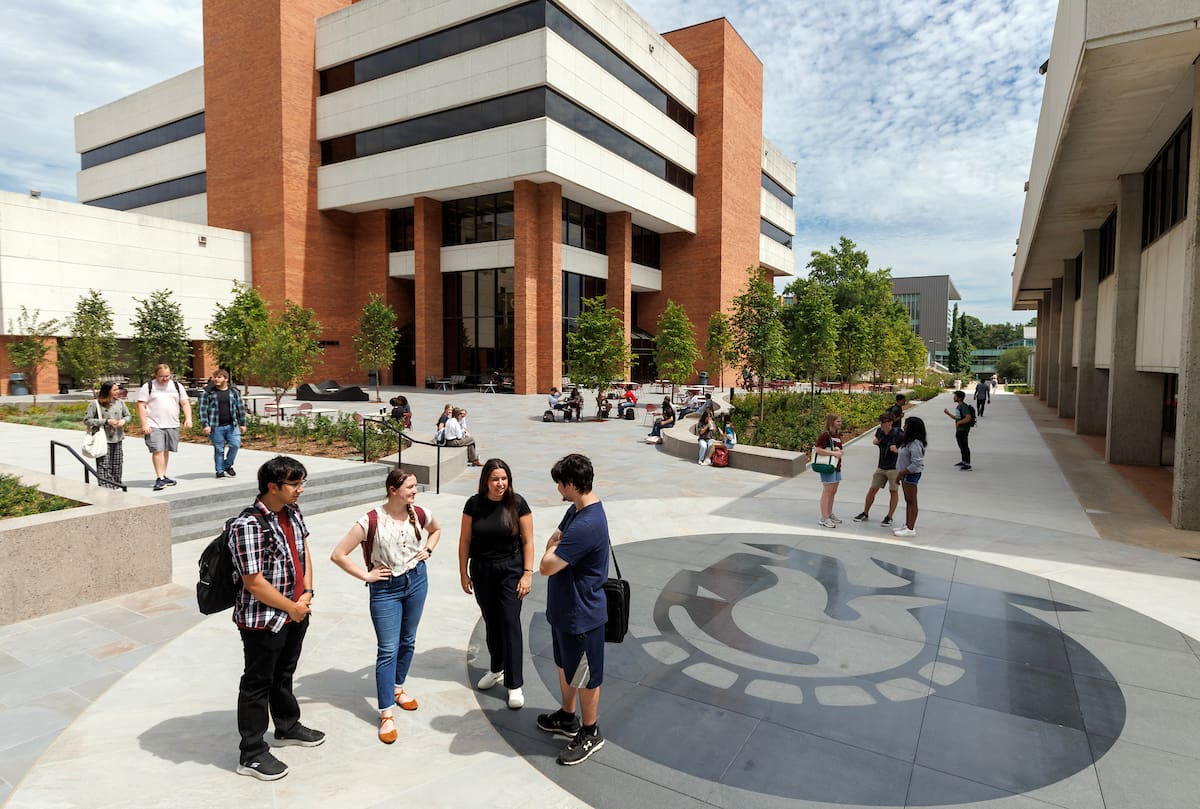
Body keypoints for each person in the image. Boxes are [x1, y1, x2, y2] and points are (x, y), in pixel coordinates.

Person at [230, 456, 325, 780]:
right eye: (295, 484)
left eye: (302, 483)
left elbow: (305, 552)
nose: (301, 489)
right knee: (258, 683)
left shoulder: (293, 511)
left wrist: (308, 591)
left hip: (296, 611)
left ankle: (286, 726)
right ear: (273, 487)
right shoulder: (249, 525)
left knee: (284, 673)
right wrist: (291, 607)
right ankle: (252, 753)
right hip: (264, 619)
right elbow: (253, 582)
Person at [330, 467, 441, 744]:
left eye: (415, 487)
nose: (415, 492)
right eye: (410, 488)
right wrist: (366, 575)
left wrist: (428, 549)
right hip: (385, 590)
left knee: (409, 640)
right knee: (388, 649)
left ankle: (398, 687)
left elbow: (436, 530)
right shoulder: (370, 520)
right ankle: (386, 713)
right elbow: (338, 554)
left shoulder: (420, 513)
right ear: (393, 490)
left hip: (417, 581)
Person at [536, 453, 609, 766]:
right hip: (564, 611)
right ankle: (568, 718)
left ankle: (591, 731)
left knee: (586, 676)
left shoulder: (588, 523)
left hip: (582, 616)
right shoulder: (575, 510)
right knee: (566, 667)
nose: (558, 489)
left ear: (571, 484)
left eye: (559, 484)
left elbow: (547, 565)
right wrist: (554, 547)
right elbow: (554, 541)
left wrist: (552, 550)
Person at [459, 458, 535, 710]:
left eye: (504, 479)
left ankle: (514, 684)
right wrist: (463, 572)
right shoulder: (474, 504)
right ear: (485, 481)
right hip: (482, 570)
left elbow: (528, 542)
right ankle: (496, 668)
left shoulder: (518, 504)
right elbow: (465, 541)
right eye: (495, 479)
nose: (500, 483)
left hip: (511, 570)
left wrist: (527, 573)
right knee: (491, 621)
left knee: (510, 623)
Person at [136, 363, 193, 491]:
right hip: (154, 424)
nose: (165, 379)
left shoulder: (177, 386)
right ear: (156, 375)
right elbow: (141, 405)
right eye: (162, 376)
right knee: (158, 450)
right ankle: (159, 477)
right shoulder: (149, 386)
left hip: (172, 423)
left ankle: (163, 474)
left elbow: (185, 403)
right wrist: (144, 423)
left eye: (167, 376)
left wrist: (188, 418)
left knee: (166, 450)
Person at [852, 412, 903, 527]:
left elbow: (906, 450)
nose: (881, 424)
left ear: (890, 422)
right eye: (880, 422)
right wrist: (876, 441)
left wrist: (897, 450)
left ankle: (889, 516)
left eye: (883, 422)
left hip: (894, 468)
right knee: (872, 489)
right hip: (881, 466)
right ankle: (865, 512)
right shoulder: (879, 432)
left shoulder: (899, 434)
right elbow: (876, 438)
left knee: (893, 491)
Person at [200, 368, 246, 479]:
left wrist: (243, 423)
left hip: (232, 425)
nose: (216, 379)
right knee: (219, 449)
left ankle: (227, 465)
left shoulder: (233, 392)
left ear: (226, 379)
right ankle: (219, 470)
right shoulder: (208, 392)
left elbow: (240, 408)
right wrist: (206, 425)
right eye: (215, 377)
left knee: (235, 445)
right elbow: (203, 410)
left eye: (219, 377)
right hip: (216, 426)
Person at [84, 381, 130, 489]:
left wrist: (123, 421)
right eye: (114, 390)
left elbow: (128, 415)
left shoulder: (120, 403)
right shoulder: (95, 404)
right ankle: (106, 486)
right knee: (104, 464)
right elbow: (87, 420)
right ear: (107, 391)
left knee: (117, 463)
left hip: (117, 437)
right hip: (102, 439)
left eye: (117, 389)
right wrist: (106, 421)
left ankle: (116, 484)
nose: (117, 392)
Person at [893, 416, 927, 538]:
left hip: (910, 474)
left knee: (912, 501)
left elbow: (917, 463)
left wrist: (902, 473)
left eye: (906, 425)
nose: (903, 427)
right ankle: (907, 524)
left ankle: (911, 528)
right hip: (906, 474)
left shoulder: (915, 443)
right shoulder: (908, 441)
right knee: (908, 500)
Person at [814, 412, 844, 528]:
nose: (840, 424)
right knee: (827, 491)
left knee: (833, 491)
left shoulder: (837, 435)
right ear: (832, 422)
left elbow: (840, 449)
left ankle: (829, 513)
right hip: (828, 467)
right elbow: (818, 449)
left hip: (836, 466)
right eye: (838, 421)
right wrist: (833, 452)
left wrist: (839, 451)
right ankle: (824, 517)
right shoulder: (825, 435)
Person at [944, 390, 974, 470]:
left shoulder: (963, 407)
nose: (954, 397)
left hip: (963, 430)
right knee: (961, 446)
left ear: (960, 398)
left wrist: (960, 422)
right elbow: (957, 418)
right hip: (960, 429)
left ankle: (967, 463)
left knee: (964, 446)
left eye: (955, 396)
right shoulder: (959, 406)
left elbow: (968, 418)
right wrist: (948, 414)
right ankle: (964, 461)